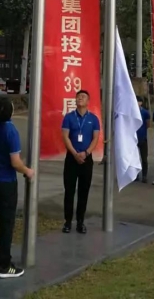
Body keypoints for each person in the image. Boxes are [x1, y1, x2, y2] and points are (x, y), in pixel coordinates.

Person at [0, 97, 33, 279]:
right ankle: (5, 265)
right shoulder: (11, 132)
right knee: (6, 224)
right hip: (6, 183)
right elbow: (15, 162)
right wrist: (27, 171)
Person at [61, 89, 101, 234]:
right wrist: (75, 153)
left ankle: (80, 222)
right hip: (72, 158)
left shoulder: (94, 119)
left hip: (86, 159)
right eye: (78, 97)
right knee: (69, 191)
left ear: (88, 101)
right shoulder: (69, 117)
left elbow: (95, 138)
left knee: (83, 192)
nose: (80, 99)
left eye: (83, 97)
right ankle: (67, 222)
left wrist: (86, 153)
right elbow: (65, 136)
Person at [135, 96, 151, 183]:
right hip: (133, 139)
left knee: (144, 158)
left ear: (141, 103)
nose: (136, 103)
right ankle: (136, 175)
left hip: (142, 138)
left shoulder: (145, 112)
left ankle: (144, 175)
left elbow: (148, 124)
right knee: (135, 158)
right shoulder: (131, 111)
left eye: (138, 101)